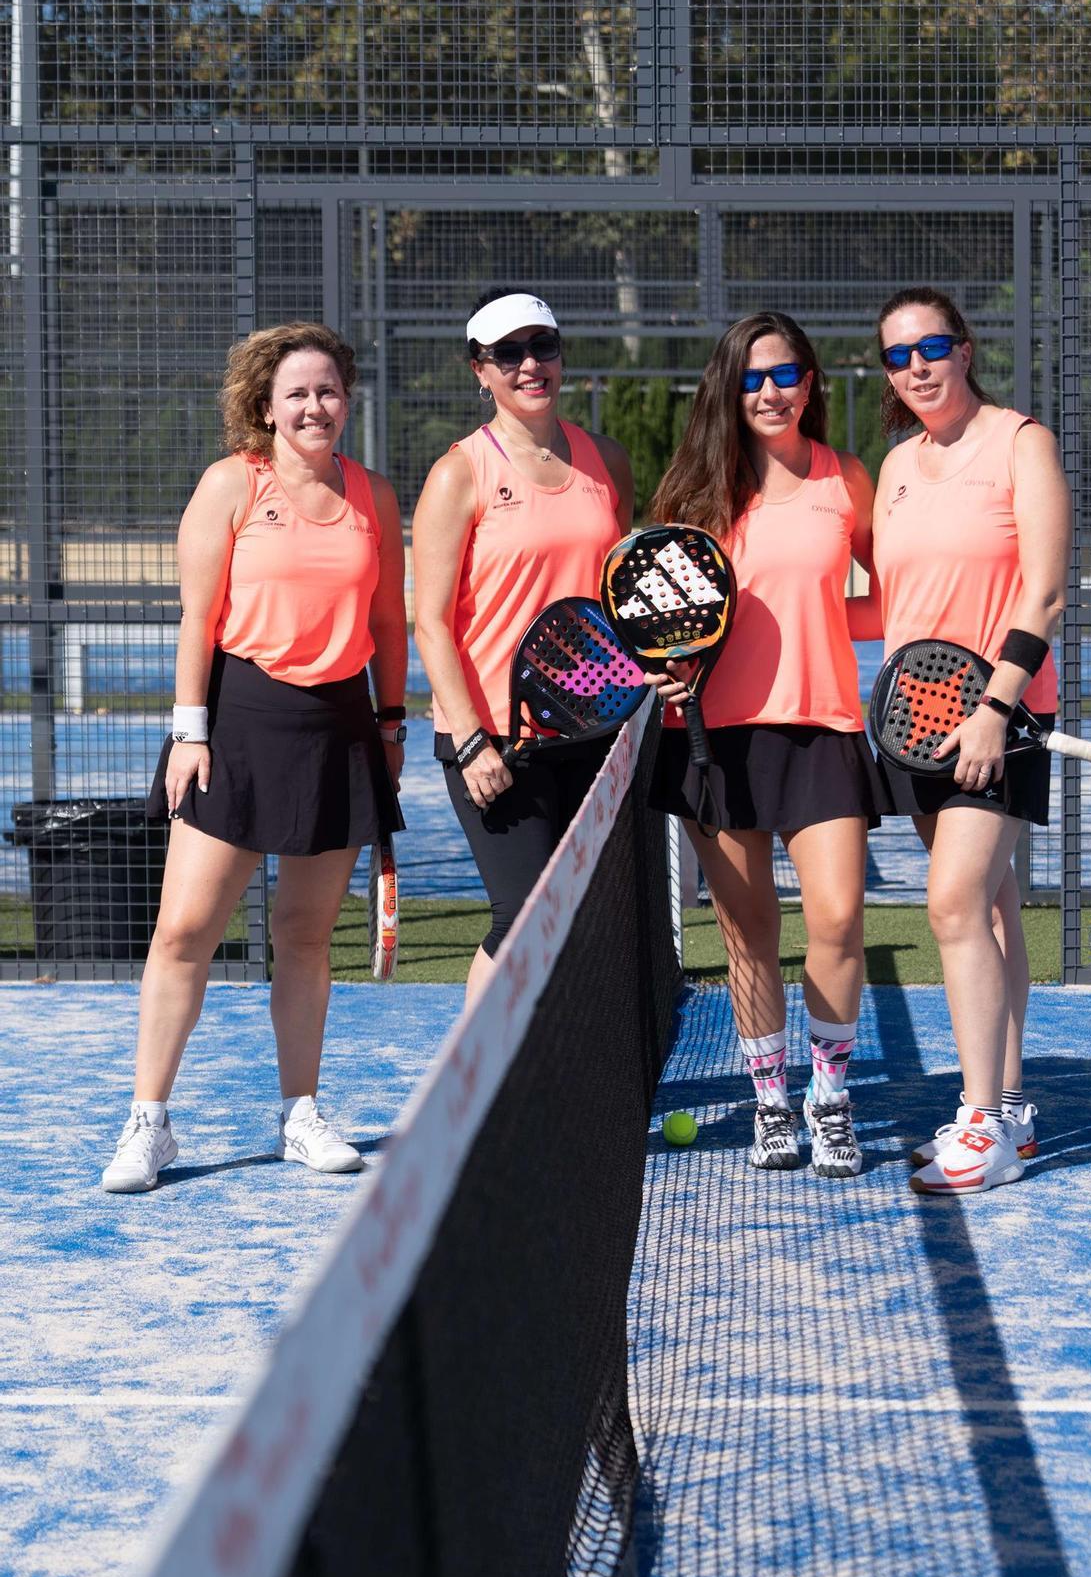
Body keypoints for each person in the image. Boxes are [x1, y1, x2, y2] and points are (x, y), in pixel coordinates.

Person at [101, 321, 408, 1193]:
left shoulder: (375, 496)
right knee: (185, 932)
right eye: (298, 394)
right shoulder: (232, 484)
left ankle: (299, 1115)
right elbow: (200, 617)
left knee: (304, 936)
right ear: (266, 408)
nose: (317, 407)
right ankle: (148, 1123)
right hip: (236, 723)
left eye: (329, 391)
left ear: (346, 400)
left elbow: (388, 624)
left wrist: (389, 731)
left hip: (341, 728)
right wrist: (189, 730)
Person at [648, 312, 889, 1177]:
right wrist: (666, 672)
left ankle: (829, 1097)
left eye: (785, 374)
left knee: (836, 919)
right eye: (752, 378)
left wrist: (828, 619)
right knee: (748, 933)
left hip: (822, 730)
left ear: (812, 382)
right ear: (728, 388)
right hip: (713, 739)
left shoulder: (846, 479)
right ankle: (772, 1102)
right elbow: (654, 623)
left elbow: (886, 601)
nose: (770, 392)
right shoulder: (691, 495)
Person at [872, 285, 1070, 1194]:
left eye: (931, 347)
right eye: (897, 355)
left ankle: (981, 1122)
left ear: (964, 348)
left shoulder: (1021, 442)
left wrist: (995, 708)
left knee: (951, 905)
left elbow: (1045, 589)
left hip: (1004, 718)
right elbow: (890, 602)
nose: (916, 366)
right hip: (916, 724)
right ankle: (1015, 1109)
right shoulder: (896, 466)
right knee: (989, 912)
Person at [412, 287, 634, 1001]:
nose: (529, 364)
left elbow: (614, 593)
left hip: (594, 727)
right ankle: (480, 1097)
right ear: (480, 370)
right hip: (499, 739)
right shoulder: (459, 473)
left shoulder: (607, 461)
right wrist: (474, 741)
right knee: (521, 916)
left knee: (580, 918)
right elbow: (433, 622)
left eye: (542, 346)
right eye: (508, 353)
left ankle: (555, 1090)